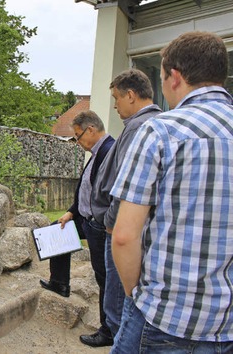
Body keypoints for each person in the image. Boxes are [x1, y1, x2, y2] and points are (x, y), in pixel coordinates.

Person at [111, 31, 233, 353]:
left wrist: (135, 296)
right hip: (226, 325)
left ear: (174, 77)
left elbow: (124, 236)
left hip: (162, 317)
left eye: (163, 76)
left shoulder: (160, 131)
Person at [90, 69, 161, 339]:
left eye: (116, 98)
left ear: (130, 95)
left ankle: (119, 341)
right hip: (123, 225)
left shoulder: (140, 128)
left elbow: (127, 184)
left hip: (120, 228)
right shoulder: (147, 124)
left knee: (119, 299)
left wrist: (111, 223)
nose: (115, 105)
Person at [39, 110, 115, 347]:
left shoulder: (109, 151)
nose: (77, 141)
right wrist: (71, 211)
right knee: (56, 229)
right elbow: (86, 188)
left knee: (103, 277)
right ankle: (60, 283)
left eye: (78, 136)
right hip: (83, 217)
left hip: (98, 224)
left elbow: (107, 194)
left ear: (91, 129)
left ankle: (108, 330)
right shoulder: (96, 152)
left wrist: (102, 224)